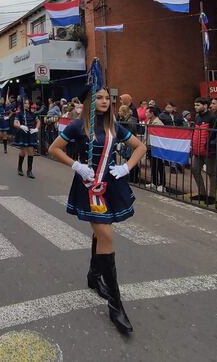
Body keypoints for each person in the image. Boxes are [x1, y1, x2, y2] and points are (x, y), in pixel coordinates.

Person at [48, 84, 146, 334]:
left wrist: (126, 167)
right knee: (107, 236)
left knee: (102, 234)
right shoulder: (78, 125)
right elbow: (54, 149)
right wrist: (76, 166)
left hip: (110, 184)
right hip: (89, 187)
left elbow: (141, 147)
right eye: (99, 98)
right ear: (89, 102)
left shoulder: (114, 126)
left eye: (107, 98)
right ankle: (116, 306)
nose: (104, 101)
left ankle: (94, 275)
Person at [190, 97, 216, 204]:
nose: (195, 107)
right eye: (195, 105)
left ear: (205, 105)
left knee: (211, 173)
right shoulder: (197, 117)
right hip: (197, 149)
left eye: (198, 105)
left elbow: (214, 134)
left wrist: (210, 145)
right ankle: (202, 193)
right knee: (195, 169)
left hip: (208, 150)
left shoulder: (212, 117)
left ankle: (212, 196)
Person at [13, 97, 40, 178]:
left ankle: (29, 171)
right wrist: (20, 126)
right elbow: (15, 123)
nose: (27, 105)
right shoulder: (19, 113)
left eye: (28, 103)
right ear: (22, 104)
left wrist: (36, 129)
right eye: (25, 103)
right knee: (23, 152)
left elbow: (38, 121)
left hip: (31, 133)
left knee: (31, 152)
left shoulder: (32, 113)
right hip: (23, 133)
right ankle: (19, 168)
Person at [145, 106, 165, 191]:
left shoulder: (158, 123)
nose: (145, 114)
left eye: (147, 112)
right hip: (150, 146)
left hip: (157, 147)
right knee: (153, 165)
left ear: (152, 113)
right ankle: (154, 182)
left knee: (160, 165)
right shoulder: (150, 121)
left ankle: (162, 184)